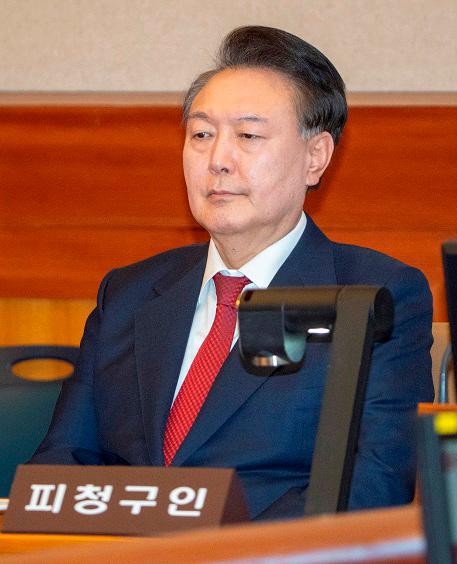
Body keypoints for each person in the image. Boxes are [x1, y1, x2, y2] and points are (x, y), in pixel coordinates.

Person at [31, 26, 434, 520]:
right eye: (201, 135)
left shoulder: (373, 296)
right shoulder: (129, 294)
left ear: (315, 157)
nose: (217, 160)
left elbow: (373, 487)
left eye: (248, 136)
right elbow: (62, 466)